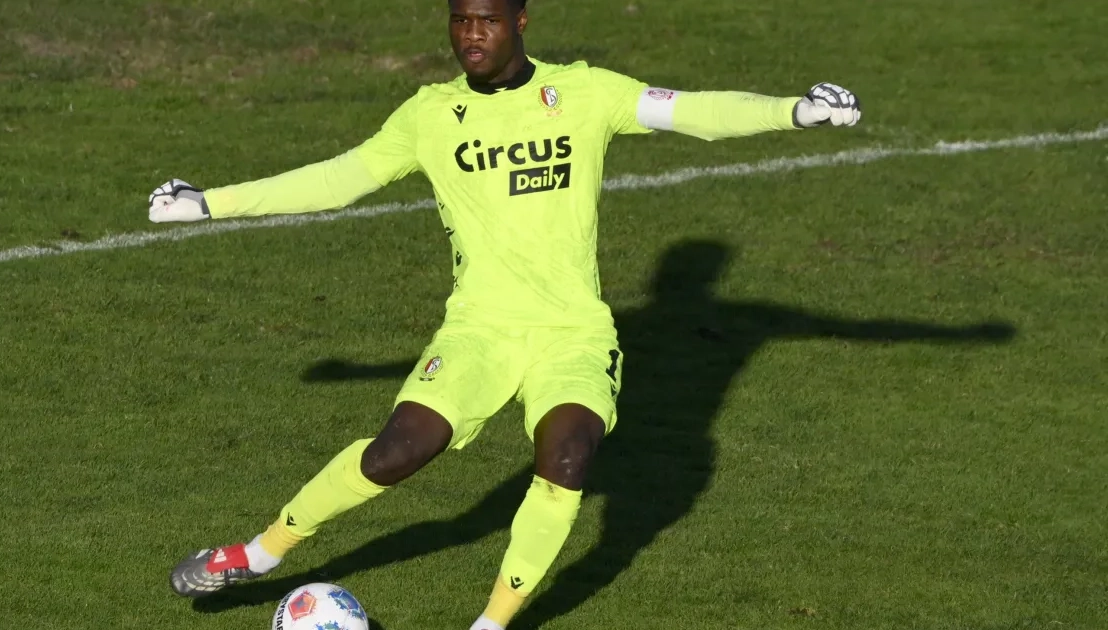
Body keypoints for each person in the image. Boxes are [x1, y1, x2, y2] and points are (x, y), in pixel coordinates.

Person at [147, 0, 862, 628]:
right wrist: (209, 203)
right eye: (459, 20)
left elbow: (693, 111)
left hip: (571, 335)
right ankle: (258, 554)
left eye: (486, 19)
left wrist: (793, 111)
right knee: (395, 454)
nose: (471, 35)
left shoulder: (584, 92)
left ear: (520, 21)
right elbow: (338, 180)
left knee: (569, 457)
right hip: (479, 331)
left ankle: (491, 623)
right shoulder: (429, 115)